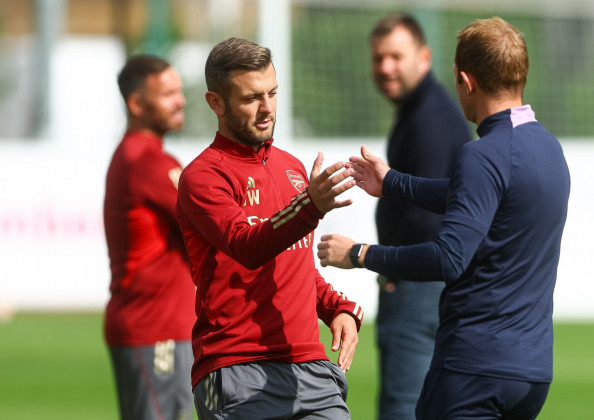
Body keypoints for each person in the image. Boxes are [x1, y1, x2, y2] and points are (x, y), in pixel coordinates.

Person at [318, 17, 571, 420]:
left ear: (464, 80)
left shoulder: (481, 154)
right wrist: (393, 183)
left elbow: (448, 258)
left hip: (474, 367)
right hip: (532, 372)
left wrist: (361, 254)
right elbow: (471, 196)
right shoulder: (548, 148)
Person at [175, 37, 365, 420]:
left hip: (309, 369)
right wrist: (309, 206)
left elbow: (293, 265)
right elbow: (247, 247)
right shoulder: (203, 176)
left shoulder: (292, 168)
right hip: (237, 368)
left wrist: (336, 308)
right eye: (250, 98)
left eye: (273, 93)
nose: (267, 109)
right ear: (216, 102)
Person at [368, 12, 472, 420]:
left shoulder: (428, 117)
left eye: (396, 56)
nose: (385, 67)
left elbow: (429, 214)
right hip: (426, 284)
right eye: (378, 58)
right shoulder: (422, 109)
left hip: (418, 286)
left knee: (402, 407)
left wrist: (391, 270)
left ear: (424, 57)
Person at [104, 55, 195, 420]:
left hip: (153, 326)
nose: (181, 100)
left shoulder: (135, 156)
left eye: (179, 91)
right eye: (168, 93)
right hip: (156, 327)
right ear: (137, 104)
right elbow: (217, 223)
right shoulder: (149, 163)